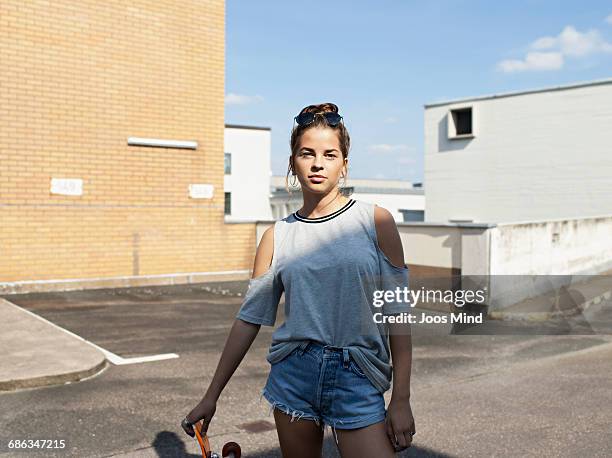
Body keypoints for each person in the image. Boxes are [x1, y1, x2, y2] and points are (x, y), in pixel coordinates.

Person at [182, 103, 415, 457]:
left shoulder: (376, 222)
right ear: (293, 163)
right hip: (295, 374)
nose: (318, 163)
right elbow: (248, 319)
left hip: (358, 375)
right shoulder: (277, 236)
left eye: (329, 154)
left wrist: (401, 399)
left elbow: (397, 314)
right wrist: (211, 396)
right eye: (307, 153)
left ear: (344, 164)